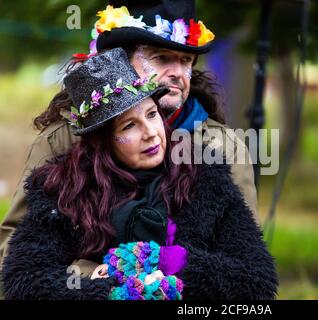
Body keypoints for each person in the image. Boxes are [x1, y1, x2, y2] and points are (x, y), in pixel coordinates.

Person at [0, 0, 258, 281]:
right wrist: (95, 276)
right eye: (161, 58)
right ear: (120, 60)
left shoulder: (222, 147)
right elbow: (15, 254)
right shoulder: (64, 138)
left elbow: (244, 262)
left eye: (185, 61)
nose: (177, 72)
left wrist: (170, 274)